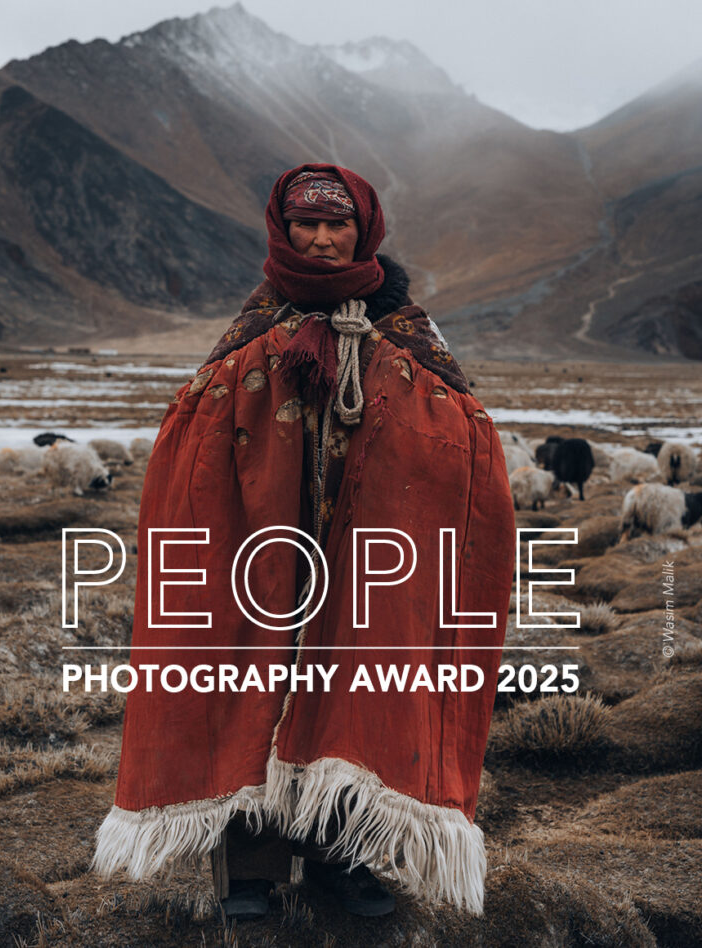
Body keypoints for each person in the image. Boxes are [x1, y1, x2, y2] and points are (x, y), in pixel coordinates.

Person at [93, 164, 515, 922]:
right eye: (305, 225)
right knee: (250, 677)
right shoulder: (256, 327)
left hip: (366, 552)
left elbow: (462, 437)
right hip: (261, 545)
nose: (321, 239)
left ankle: (340, 857)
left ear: (366, 230)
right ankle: (248, 869)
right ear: (281, 231)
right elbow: (193, 436)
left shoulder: (406, 330)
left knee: (355, 682)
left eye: (337, 224)